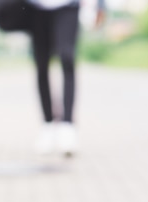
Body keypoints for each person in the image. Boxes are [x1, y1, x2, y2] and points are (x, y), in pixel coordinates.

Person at [26, 0, 106, 157]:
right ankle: (48, 124)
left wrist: (100, 4)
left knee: (67, 58)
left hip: (68, 6)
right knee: (41, 65)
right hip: (36, 7)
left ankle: (67, 126)